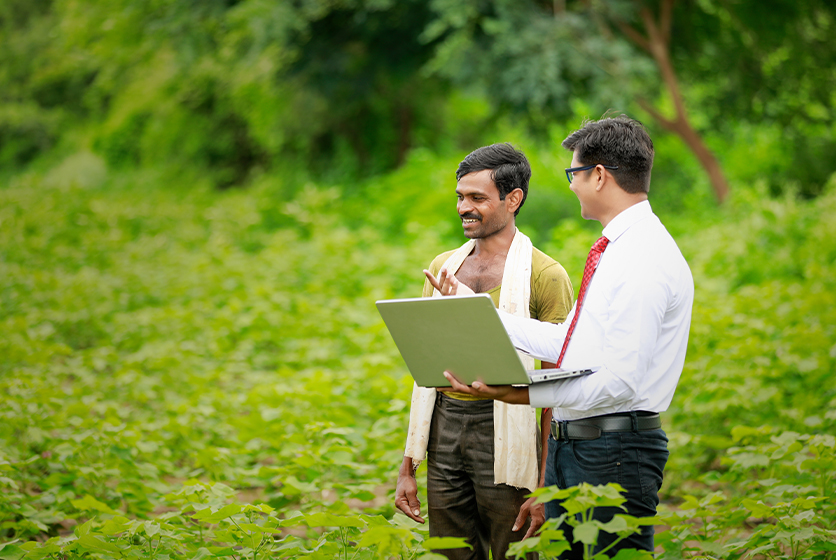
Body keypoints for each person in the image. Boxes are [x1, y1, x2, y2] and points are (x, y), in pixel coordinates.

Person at [434, 116, 694, 557]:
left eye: (573, 173)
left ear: (598, 175)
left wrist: (518, 394)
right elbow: (568, 343)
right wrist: (475, 309)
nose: (571, 185)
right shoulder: (615, 250)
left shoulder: (642, 258)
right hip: (578, 447)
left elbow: (619, 382)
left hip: (613, 450)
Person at [394, 143, 574, 560]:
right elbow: (424, 370)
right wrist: (408, 467)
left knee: (512, 550)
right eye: (460, 196)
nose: (463, 207)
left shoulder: (546, 276)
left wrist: (547, 482)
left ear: (514, 199)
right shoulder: (444, 266)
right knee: (449, 551)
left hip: (506, 427)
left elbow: (555, 391)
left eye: (477, 198)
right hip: (444, 428)